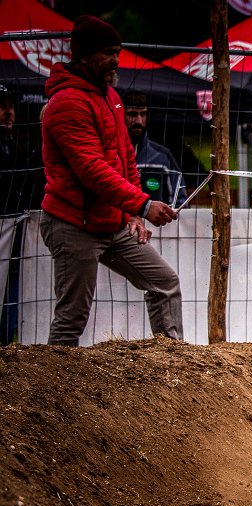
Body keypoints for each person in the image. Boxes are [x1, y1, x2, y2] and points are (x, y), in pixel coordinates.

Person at [39, 15, 181, 347]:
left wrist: (133, 213)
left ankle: (174, 364)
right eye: (108, 53)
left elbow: (125, 159)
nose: (116, 60)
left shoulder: (111, 97)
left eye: (117, 52)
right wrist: (143, 205)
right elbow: (93, 171)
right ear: (84, 56)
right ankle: (51, 380)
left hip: (112, 221)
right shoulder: (67, 104)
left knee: (164, 283)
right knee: (71, 318)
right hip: (73, 223)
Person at [1, 82, 43, 344]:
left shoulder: (14, 147)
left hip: (16, 239)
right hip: (7, 234)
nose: (8, 112)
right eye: (1, 106)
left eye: (11, 106)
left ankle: (6, 348)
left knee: (12, 301)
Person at [121, 90, 186, 207]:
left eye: (143, 114)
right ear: (121, 115)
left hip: (155, 219)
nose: (139, 121)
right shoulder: (110, 154)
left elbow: (179, 202)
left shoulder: (162, 157)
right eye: (132, 114)